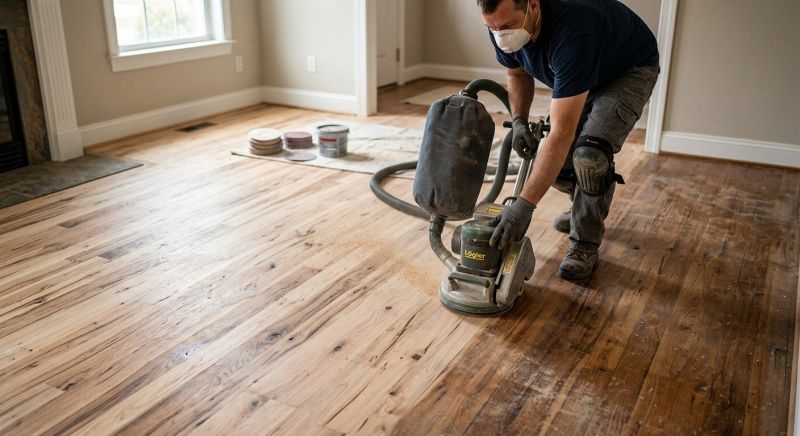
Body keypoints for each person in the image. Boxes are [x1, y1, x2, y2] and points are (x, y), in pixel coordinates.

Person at [480, 0, 660, 280]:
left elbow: (561, 134)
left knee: (590, 157)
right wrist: (519, 120)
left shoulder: (574, 29)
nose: (500, 36)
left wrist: (523, 208)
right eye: (492, 29)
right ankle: (582, 209)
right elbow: (516, 72)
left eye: (506, 26)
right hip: (583, 68)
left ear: (533, 5)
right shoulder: (500, 24)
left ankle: (584, 245)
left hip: (626, 70)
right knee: (555, 161)